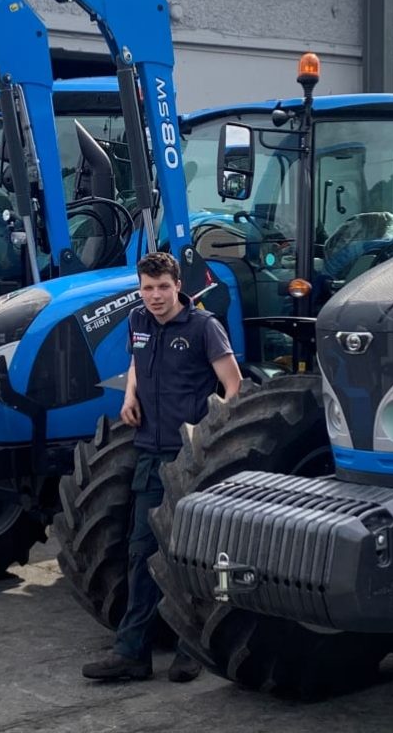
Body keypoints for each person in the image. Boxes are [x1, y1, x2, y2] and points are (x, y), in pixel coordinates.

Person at [81, 251, 242, 683]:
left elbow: (233, 387)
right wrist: (129, 397)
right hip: (150, 454)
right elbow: (136, 363)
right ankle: (132, 653)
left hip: (188, 459)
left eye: (162, 288)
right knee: (141, 553)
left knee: (184, 555)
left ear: (177, 287)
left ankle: (191, 649)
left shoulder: (204, 328)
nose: (154, 296)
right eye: (147, 288)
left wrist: (205, 442)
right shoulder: (138, 322)